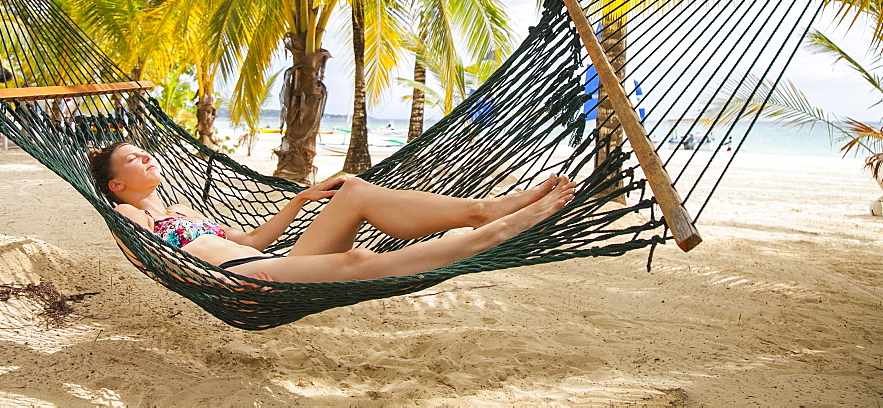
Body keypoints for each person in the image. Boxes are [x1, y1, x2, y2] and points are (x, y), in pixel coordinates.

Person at [89, 142, 577, 284]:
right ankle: (500, 230)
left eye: (144, 151)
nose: (146, 157)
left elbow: (255, 240)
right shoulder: (132, 219)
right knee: (356, 261)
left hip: (260, 261)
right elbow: (155, 260)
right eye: (133, 160)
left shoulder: (180, 208)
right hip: (236, 282)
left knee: (355, 191)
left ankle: (485, 210)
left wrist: (301, 200)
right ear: (116, 186)